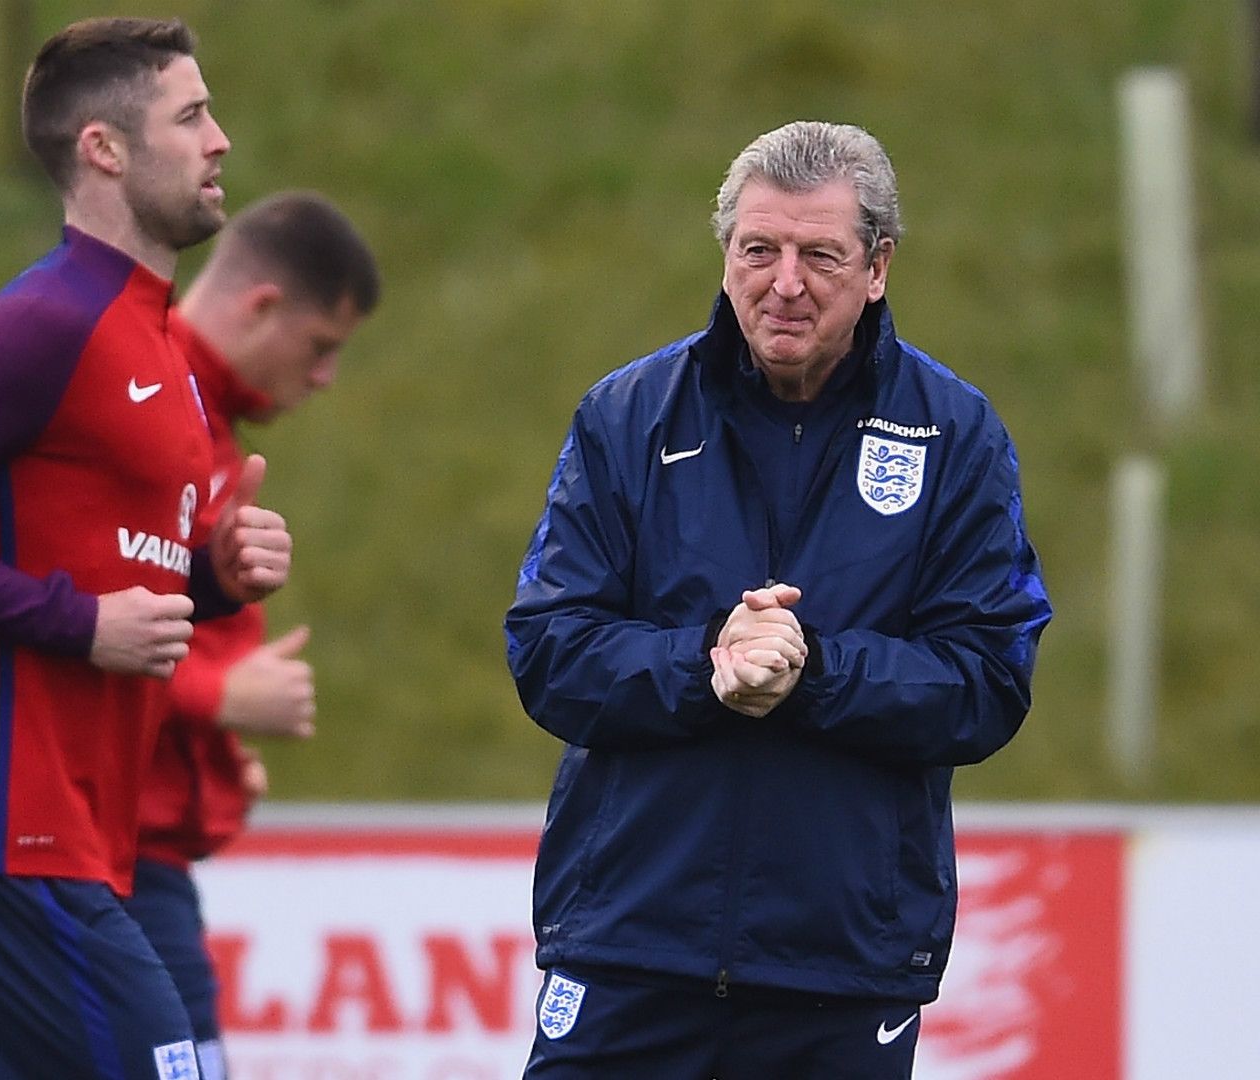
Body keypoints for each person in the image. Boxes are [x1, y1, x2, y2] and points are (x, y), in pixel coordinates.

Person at [504, 120, 1052, 1079]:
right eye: (759, 250)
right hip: (630, 947)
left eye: (819, 256)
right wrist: (704, 662)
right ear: (726, 255)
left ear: (877, 268)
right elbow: (549, 649)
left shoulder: (956, 436)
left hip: (841, 967)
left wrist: (816, 670)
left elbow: (989, 677)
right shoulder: (626, 417)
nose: (784, 283)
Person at [0, 18, 292, 1080]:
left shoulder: (158, 343)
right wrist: (74, 622)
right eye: (190, 116)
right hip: (9, 838)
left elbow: (120, 575)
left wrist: (214, 581)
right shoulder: (40, 324)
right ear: (104, 148)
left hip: (79, 839)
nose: (220, 140)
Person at [125, 191, 381, 1079]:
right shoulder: (153, 409)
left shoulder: (201, 420)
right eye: (322, 348)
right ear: (264, 305)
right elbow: (60, 618)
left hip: (135, 853)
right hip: (111, 860)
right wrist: (219, 696)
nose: (324, 379)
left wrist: (214, 753)